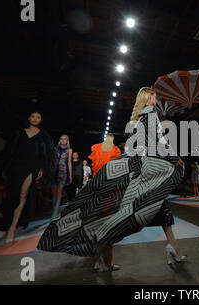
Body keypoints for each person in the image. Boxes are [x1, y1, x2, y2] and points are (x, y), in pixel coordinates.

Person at [37, 87, 185, 271]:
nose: (156, 98)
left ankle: (109, 261)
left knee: (125, 209)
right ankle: (169, 249)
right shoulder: (151, 112)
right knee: (123, 214)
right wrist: (173, 158)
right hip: (144, 172)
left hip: (131, 169)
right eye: (154, 95)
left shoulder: (136, 119)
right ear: (148, 98)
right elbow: (159, 140)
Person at [0, 111, 55, 243]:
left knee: (23, 195)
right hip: (16, 167)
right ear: (28, 118)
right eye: (33, 116)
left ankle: (11, 229)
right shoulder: (19, 132)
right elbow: (9, 151)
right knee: (12, 196)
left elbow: (46, 155)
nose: (35, 119)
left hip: (32, 167)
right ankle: (5, 224)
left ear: (41, 120)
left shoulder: (44, 136)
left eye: (38, 117)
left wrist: (42, 168)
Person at [51, 135, 73, 219]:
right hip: (54, 171)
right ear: (59, 140)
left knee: (59, 192)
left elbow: (69, 162)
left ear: (67, 140)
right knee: (53, 193)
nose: (63, 140)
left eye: (65, 139)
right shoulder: (55, 149)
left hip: (63, 172)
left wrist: (70, 175)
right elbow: (52, 161)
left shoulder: (69, 150)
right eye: (61, 138)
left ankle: (54, 214)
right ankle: (54, 211)